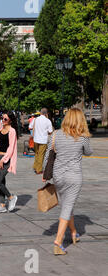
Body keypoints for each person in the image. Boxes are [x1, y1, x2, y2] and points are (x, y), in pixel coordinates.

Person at [43, 108, 92, 255]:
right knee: (67, 206)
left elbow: (47, 155)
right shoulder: (82, 137)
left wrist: (46, 173)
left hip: (58, 175)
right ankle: (58, 243)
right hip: (73, 177)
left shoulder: (55, 135)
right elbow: (89, 152)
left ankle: (74, 233)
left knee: (66, 204)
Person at [0, 112, 19, 214]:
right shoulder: (1, 129)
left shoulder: (12, 131)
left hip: (5, 159)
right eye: (2, 118)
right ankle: (2, 205)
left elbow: (11, 148)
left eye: (5, 119)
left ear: (10, 120)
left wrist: (3, 160)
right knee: (1, 181)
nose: (3, 121)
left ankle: (11, 197)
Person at [29, 108, 53, 174]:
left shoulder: (35, 119)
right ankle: (39, 169)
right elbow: (50, 131)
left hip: (36, 139)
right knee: (41, 155)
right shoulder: (48, 121)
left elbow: (30, 127)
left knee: (37, 153)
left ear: (40, 113)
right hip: (43, 140)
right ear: (46, 113)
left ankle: (35, 166)